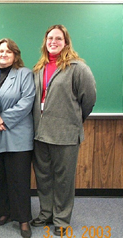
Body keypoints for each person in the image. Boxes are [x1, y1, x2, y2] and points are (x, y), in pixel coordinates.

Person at [31, 25, 96, 237]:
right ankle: (46, 213)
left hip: (65, 134)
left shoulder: (78, 68)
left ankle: (61, 219)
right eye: (50, 38)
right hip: (40, 133)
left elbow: (89, 100)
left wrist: (75, 120)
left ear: (66, 42)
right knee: (43, 177)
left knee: (64, 179)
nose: (53, 42)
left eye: (58, 38)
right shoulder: (39, 68)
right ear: (45, 41)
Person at [0, 38, 35, 238]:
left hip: (17, 136)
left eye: (8, 51)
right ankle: (5, 212)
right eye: (0, 51)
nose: (3, 54)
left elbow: (27, 101)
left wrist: (2, 119)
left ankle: (23, 220)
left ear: (15, 55)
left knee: (19, 180)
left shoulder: (24, 74)